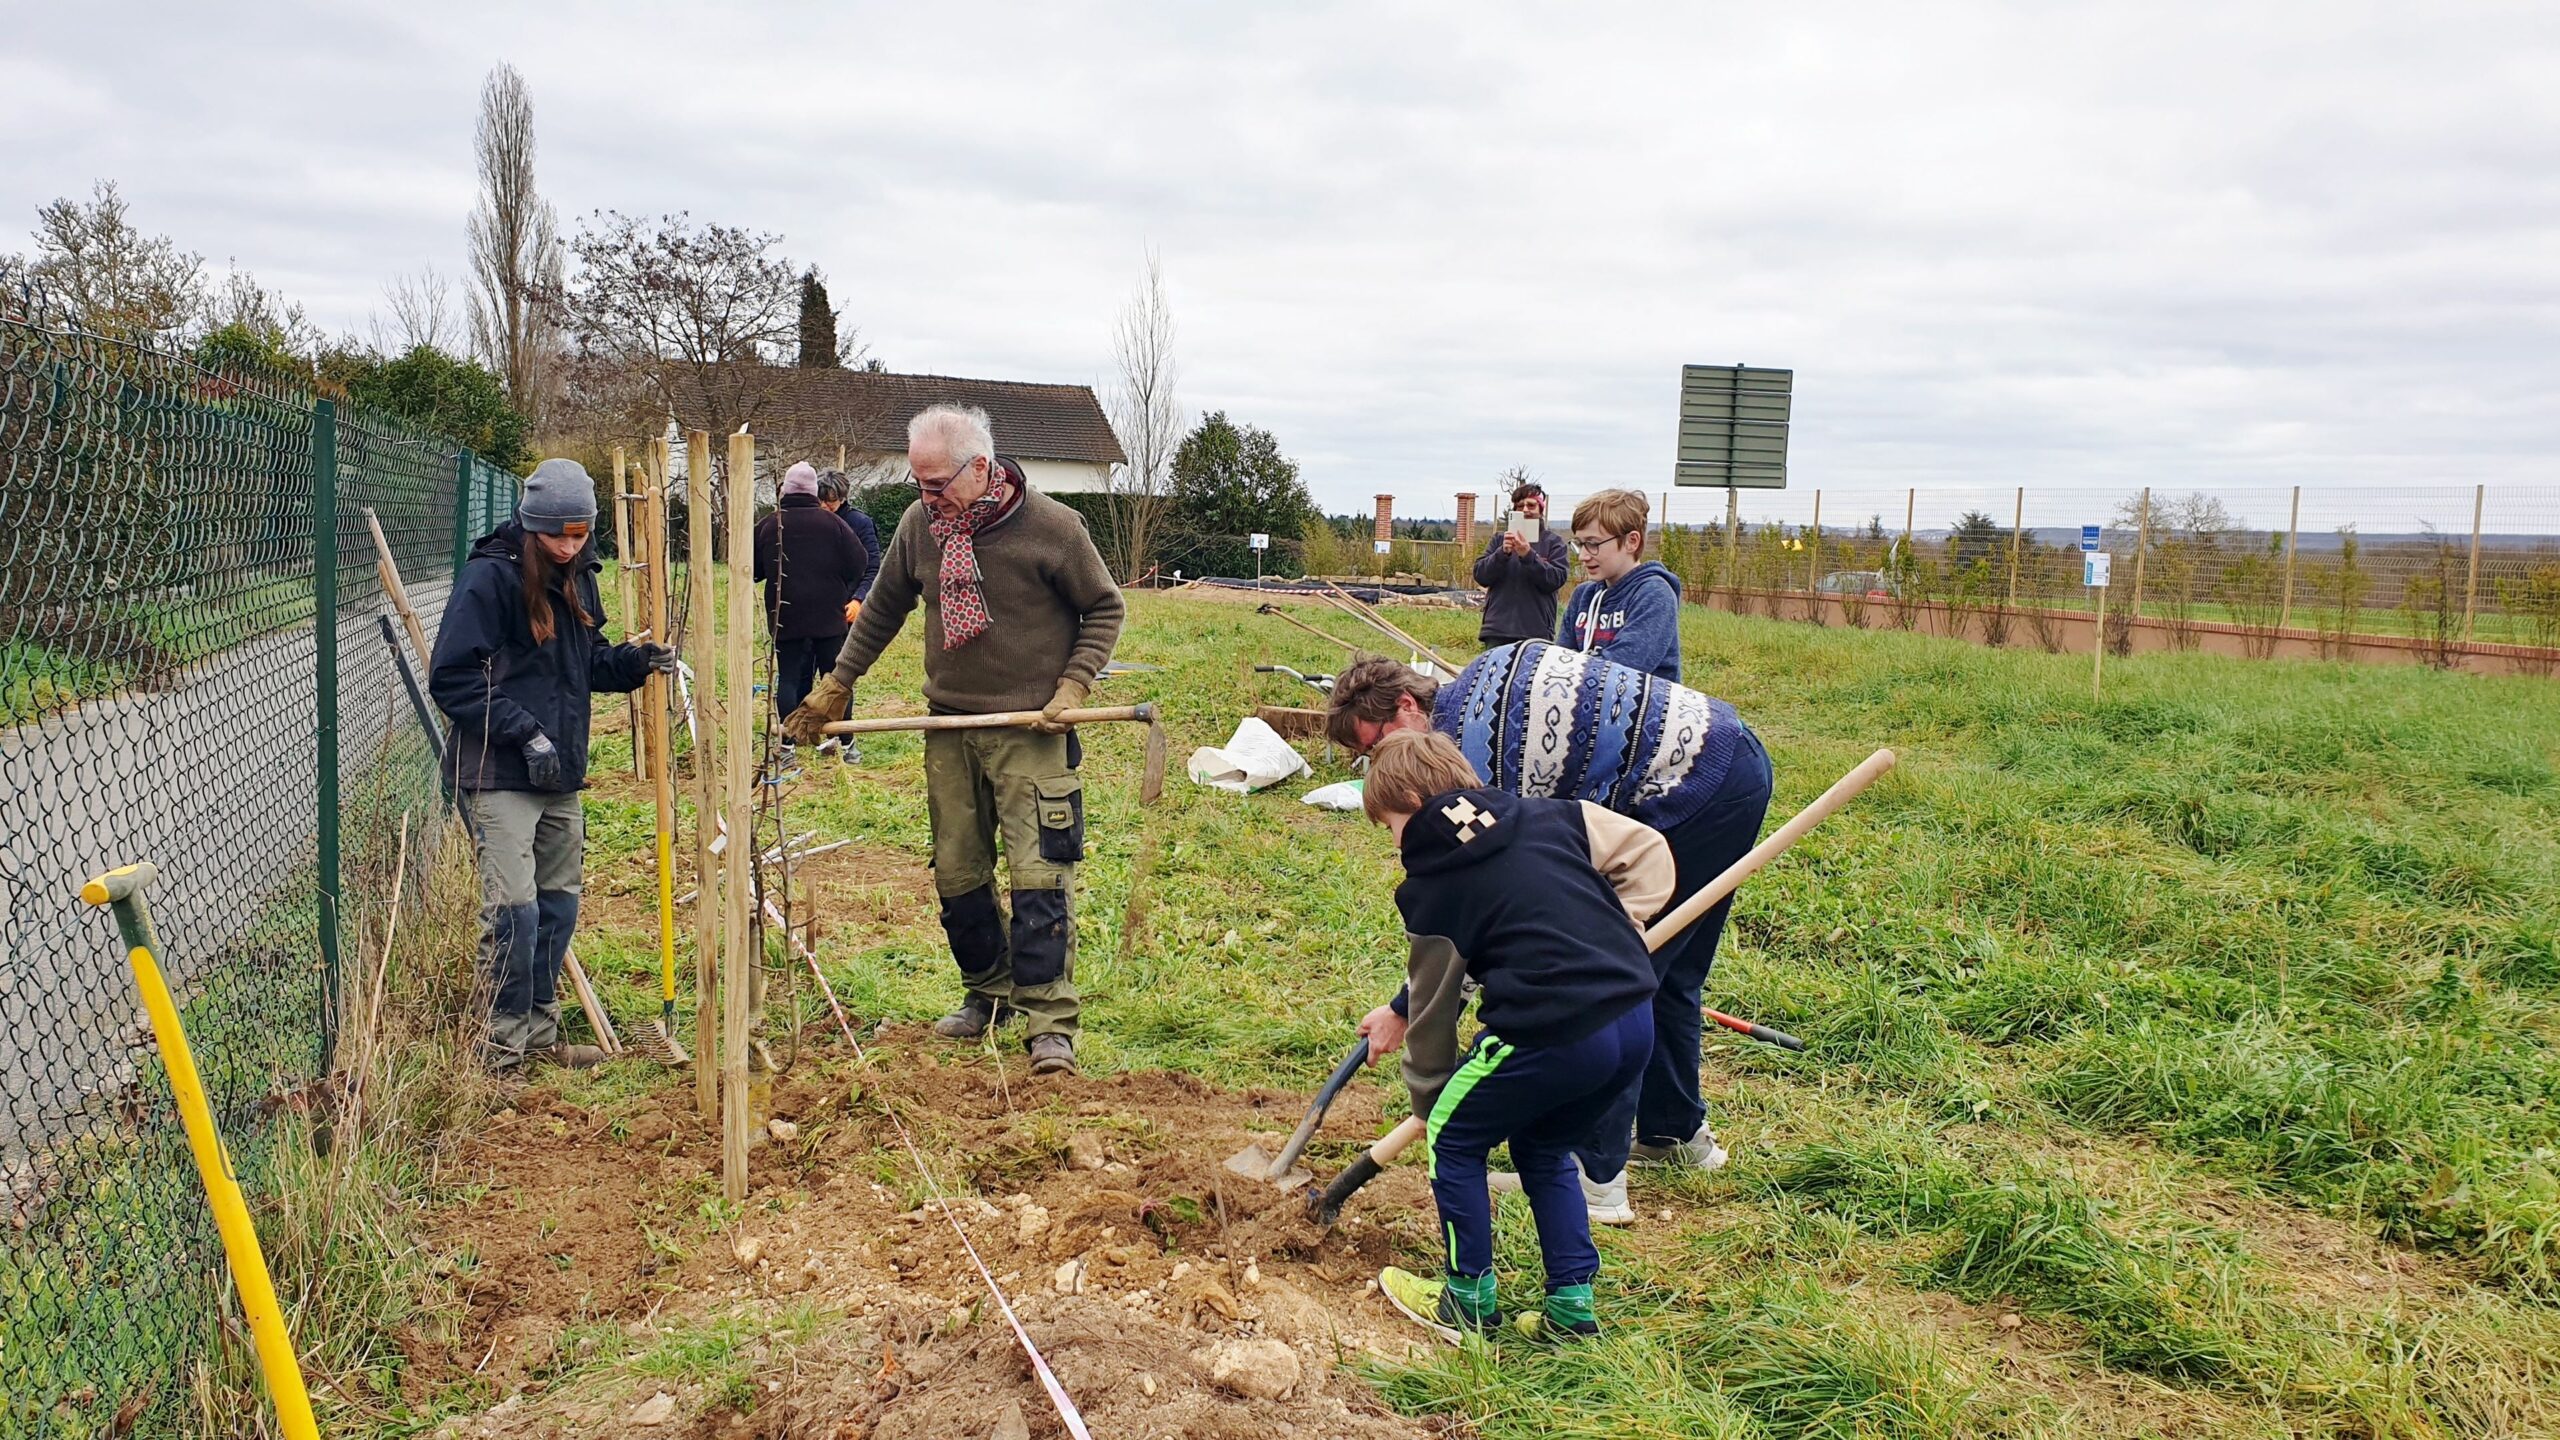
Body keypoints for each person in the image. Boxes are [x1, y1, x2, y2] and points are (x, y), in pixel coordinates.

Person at [1326, 641, 1774, 1223]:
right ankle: (1673, 1131)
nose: (1377, 765)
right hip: (1729, 758)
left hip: (1694, 787)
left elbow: (1487, 911)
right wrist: (1405, 1006)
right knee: (1667, 975)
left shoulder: (1474, 757)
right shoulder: (1470, 693)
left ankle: (1597, 1176)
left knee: (1618, 983)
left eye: (1374, 745)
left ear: (1407, 706)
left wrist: (1605, 933)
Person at [781, 403, 1124, 1077]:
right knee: (958, 874)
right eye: (920, 483)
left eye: (937, 484)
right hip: (949, 726)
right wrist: (837, 684)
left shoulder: (1054, 529)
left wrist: (1074, 687)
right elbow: (883, 608)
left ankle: (1050, 1023)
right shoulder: (920, 527)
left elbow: (1106, 606)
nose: (926, 496)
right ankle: (988, 995)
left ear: (983, 468)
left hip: (1031, 728)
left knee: (1039, 876)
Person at [1356, 730, 1670, 1342]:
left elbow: (1434, 1012)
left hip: (1550, 1032)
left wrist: (1434, 1104)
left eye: (1390, 826)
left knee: (1454, 1134)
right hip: (1633, 1018)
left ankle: (1467, 1303)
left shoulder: (1429, 890)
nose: (1394, 843)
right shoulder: (1548, 816)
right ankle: (1571, 1313)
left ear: (1415, 802)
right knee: (1544, 1149)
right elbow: (1648, 848)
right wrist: (1619, 927)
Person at [429, 458, 677, 1072]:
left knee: (557, 907)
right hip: (498, 772)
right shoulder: (490, 579)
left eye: (580, 534)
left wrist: (632, 662)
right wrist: (525, 734)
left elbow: (583, 663)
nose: (570, 546)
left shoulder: (579, 574)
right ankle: (499, 1047)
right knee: (514, 911)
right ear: (531, 525)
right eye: (558, 536)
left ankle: (539, 1032)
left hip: (558, 775)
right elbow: (452, 676)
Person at [754, 462, 870, 764]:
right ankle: (846, 743)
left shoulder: (771, 524)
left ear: (785, 491)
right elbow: (859, 564)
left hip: (785, 615)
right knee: (836, 679)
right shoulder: (833, 524)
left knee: (789, 678)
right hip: (829, 617)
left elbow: (752, 569)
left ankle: (787, 746)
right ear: (812, 492)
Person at [1559, 489, 1685, 682]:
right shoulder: (1582, 596)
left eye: (1593, 544)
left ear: (1631, 542)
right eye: (1579, 544)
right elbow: (1559, 663)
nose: (1583, 556)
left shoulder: (1655, 595)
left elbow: (1622, 672)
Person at [1470, 479, 1570, 649]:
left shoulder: (1554, 543)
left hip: (1536, 632)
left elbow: (1555, 580)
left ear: (1541, 509)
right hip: (1497, 630)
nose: (1525, 510)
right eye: (1520, 506)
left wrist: (1528, 556)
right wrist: (1502, 554)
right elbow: (1480, 575)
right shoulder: (1499, 541)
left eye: (1531, 505)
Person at [816, 468, 881, 604]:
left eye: (829, 501)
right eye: (819, 500)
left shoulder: (861, 523)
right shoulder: (811, 521)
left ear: (842, 498)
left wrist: (858, 599)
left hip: (848, 603)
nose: (823, 506)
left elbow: (873, 568)